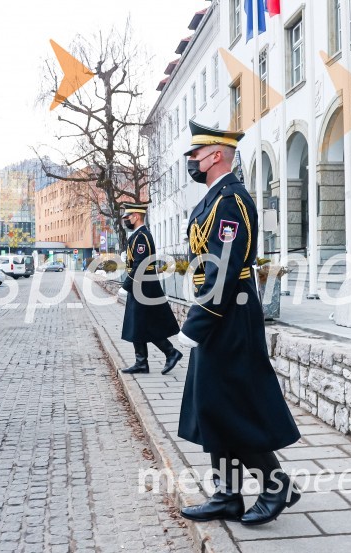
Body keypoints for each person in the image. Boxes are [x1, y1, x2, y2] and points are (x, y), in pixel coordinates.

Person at [176, 121, 301, 527]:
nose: (191, 163)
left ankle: (275, 483)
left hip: (229, 312)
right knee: (214, 405)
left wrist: (194, 325)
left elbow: (225, 269)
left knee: (232, 404)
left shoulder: (230, 200)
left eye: (195, 155)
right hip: (222, 310)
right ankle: (228, 494)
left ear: (215, 155)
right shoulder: (216, 198)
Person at [119, 202, 183, 375]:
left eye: (128, 217)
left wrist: (126, 285)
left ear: (137, 216)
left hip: (145, 285)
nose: (126, 220)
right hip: (140, 285)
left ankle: (170, 353)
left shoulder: (142, 236)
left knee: (144, 323)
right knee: (139, 324)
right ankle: (142, 362)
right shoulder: (138, 235)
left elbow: (140, 264)